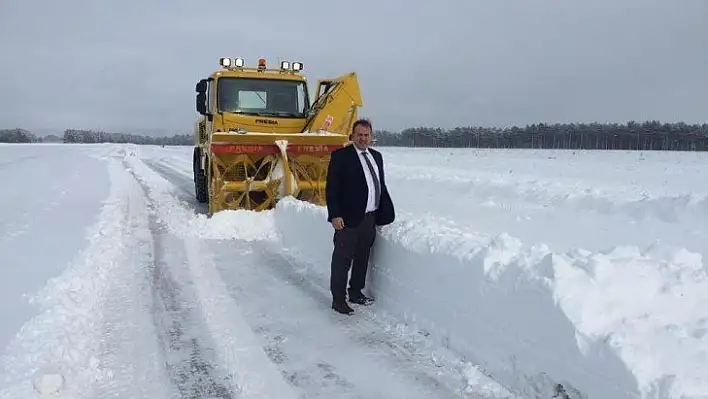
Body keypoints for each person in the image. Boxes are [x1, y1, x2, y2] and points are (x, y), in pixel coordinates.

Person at [325, 118, 395, 315]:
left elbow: (377, 184)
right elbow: (332, 188)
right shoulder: (341, 156)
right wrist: (335, 215)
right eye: (360, 135)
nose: (363, 138)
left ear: (371, 137)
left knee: (363, 258)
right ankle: (338, 300)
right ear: (352, 136)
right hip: (347, 219)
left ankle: (356, 292)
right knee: (342, 260)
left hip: (369, 217)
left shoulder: (376, 156)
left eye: (367, 135)